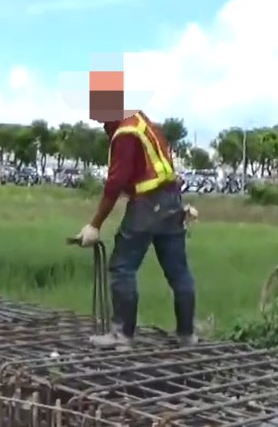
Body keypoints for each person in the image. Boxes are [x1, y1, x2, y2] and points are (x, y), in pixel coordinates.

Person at [75, 108, 197, 349]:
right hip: (172, 201)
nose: (99, 122)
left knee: (122, 267)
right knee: (178, 272)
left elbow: (115, 182)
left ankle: (122, 335)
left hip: (148, 203)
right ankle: (187, 335)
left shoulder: (126, 133)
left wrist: (94, 225)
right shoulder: (142, 123)